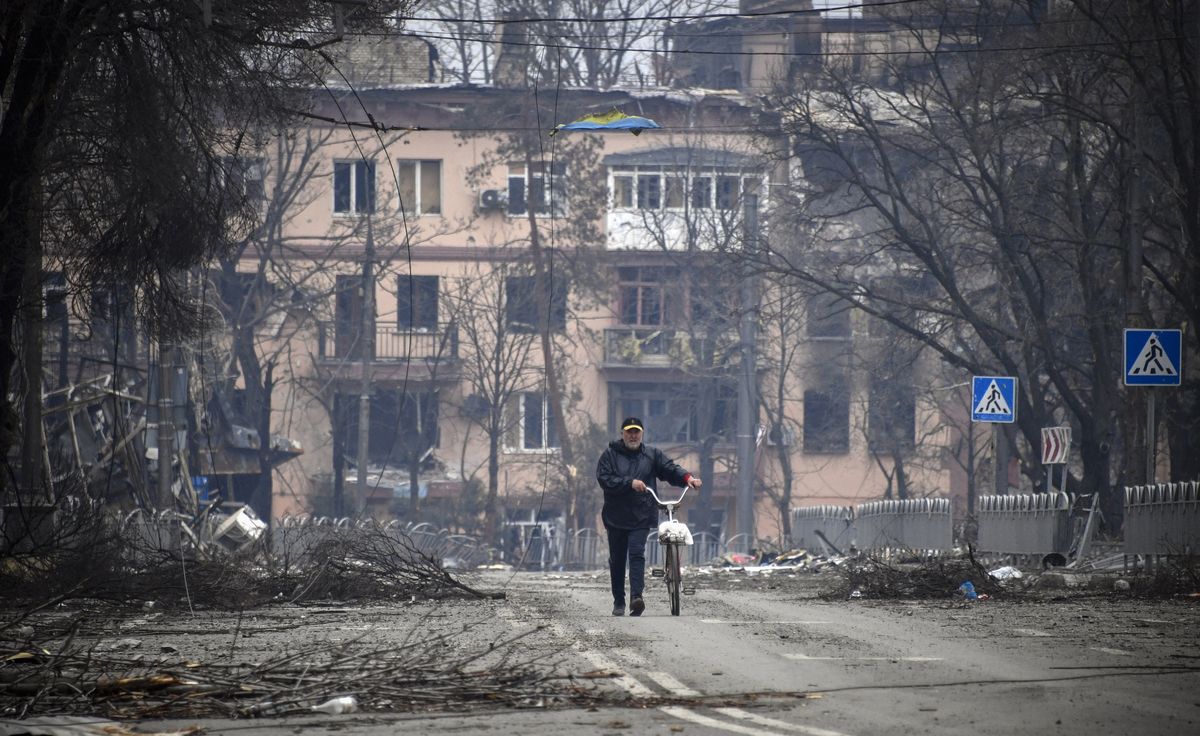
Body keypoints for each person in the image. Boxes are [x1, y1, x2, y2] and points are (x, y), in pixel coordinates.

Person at [596, 416, 702, 617]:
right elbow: (604, 479)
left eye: (636, 432)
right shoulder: (610, 455)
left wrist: (688, 478)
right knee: (617, 560)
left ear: (642, 434)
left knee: (637, 553)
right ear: (622, 434)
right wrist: (629, 483)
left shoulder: (651, 455)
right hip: (616, 515)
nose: (633, 436)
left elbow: (670, 469)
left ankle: (637, 598)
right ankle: (619, 601)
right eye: (629, 432)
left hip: (642, 514)